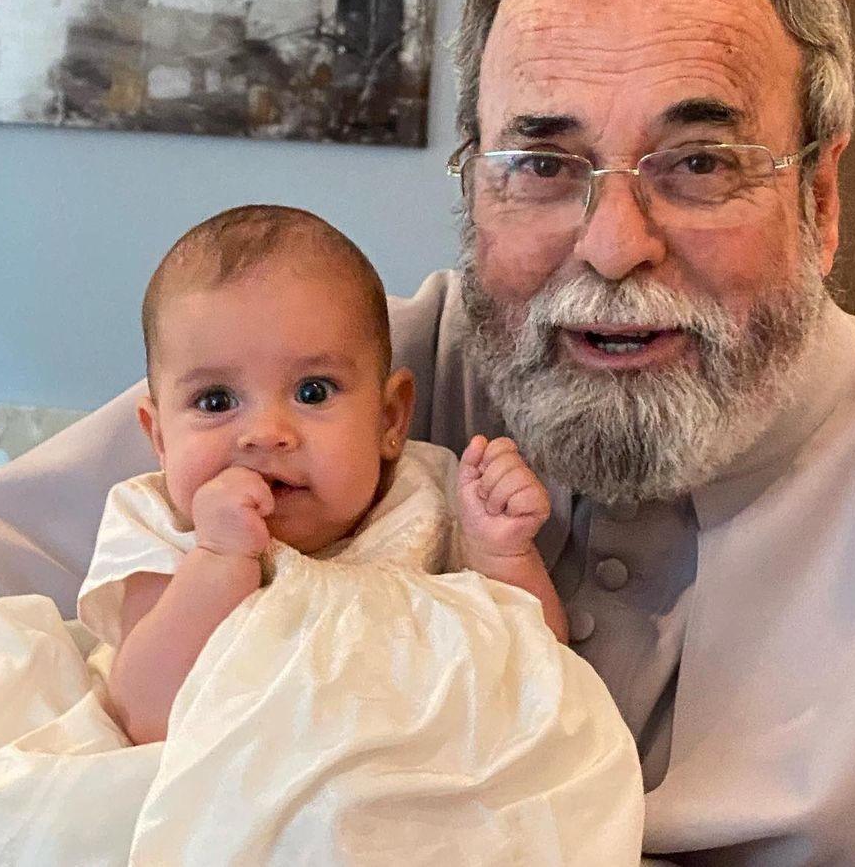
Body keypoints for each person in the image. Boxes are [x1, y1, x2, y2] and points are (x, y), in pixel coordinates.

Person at [0, 0, 855, 863]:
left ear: (818, 199)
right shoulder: (342, 387)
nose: (612, 245)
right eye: (543, 164)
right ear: (472, 187)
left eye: (697, 162)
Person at [80, 204, 567, 744]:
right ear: (160, 439)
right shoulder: (162, 527)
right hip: (224, 791)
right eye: (215, 400)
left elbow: (542, 676)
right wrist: (218, 561)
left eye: (313, 391)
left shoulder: (428, 499)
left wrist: (502, 556)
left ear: (390, 419)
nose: (266, 433)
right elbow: (145, 716)